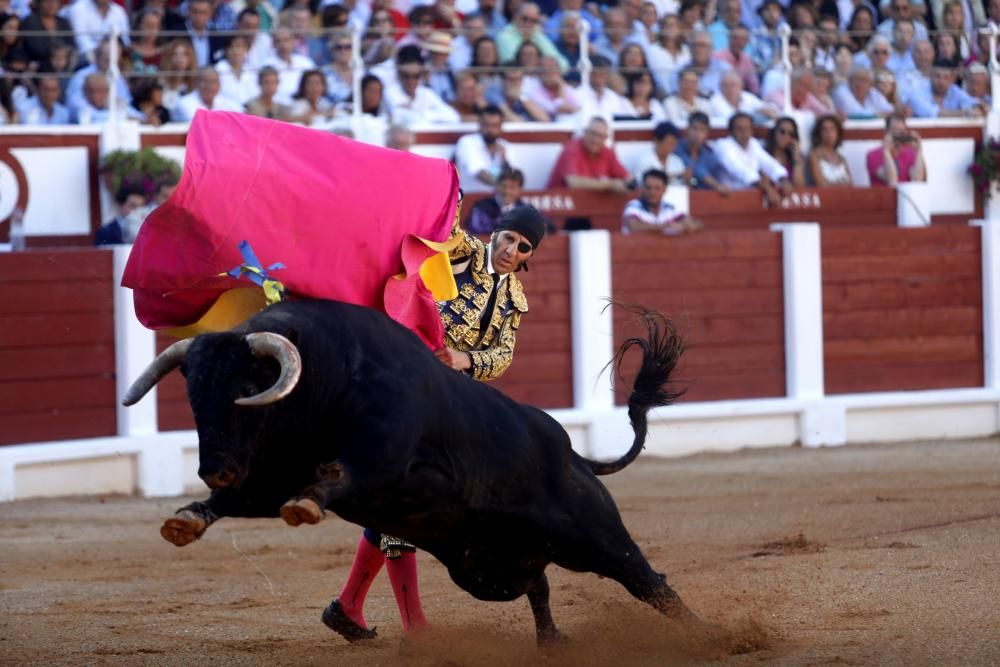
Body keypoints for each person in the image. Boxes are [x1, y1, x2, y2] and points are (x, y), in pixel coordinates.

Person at [323, 205, 548, 644]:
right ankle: (413, 627)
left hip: (450, 405)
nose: (511, 249)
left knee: (407, 500)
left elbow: (502, 356)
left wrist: (467, 360)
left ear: (527, 256)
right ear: (494, 234)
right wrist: (449, 192)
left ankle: (348, 605)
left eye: (523, 247)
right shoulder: (462, 254)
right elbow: (442, 224)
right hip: (403, 388)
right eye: (508, 238)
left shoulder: (513, 299)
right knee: (402, 500)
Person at [713, 111, 790, 204]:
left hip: (752, 197)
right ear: (731, 132)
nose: (744, 133)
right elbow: (739, 170)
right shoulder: (723, 145)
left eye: (747, 129)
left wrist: (783, 179)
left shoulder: (753, 143)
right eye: (739, 129)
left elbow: (769, 163)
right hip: (727, 200)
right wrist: (767, 188)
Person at [546, 116, 630, 192]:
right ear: (585, 132)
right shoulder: (572, 148)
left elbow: (628, 178)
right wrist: (610, 185)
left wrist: (628, 185)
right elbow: (573, 182)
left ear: (605, 138)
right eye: (592, 133)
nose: (595, 139)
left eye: (600, 136)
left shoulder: (607, 152)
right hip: (562, 205)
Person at [622, 168, 703, 235]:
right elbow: (634, 227)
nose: (652, 192)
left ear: (664, 190)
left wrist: (684, 226)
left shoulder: (669, 208)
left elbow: (696, 224)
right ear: (642, 188)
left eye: (657, 188)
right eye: (648, 187)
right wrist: (665, 226)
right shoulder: (634, 205)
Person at [454, 105, 514, 193]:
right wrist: (504, 187)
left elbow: (513, 176)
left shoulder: (505, 146)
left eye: (494, 126)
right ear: (479, 125)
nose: (490, 130)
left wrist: (504, 160)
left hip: (497, 200)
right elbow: (480, 174)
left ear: (501, 127)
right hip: (469, 199)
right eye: (486, 125)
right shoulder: (467, 142)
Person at [675, 111, 729, 194]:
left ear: (707, 133)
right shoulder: (677, 147)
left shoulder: (710, 156)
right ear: (687, 130)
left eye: (702, 130)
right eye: (694, 128)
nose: (697, 134)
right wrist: (716, 185)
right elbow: (693, 167)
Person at [866, 112, 927, 185]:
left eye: (901, 131)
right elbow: (892, 180)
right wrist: (886, 151)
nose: (898, 134)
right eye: (895, 130)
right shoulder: (873, 155)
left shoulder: (911, 153)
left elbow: (918, 179)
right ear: (886, 132)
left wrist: (919, 150)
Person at [467, 167, 528, 233]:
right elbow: (477, 228)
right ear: (496, 186)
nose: (507, 191)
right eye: (503, 186)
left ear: (520, 190)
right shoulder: (482, 207)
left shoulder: (526, 210)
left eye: (512, 187)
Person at [171, 67, 244, 121]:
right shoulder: (184, 103)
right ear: (197, 83)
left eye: (213, 82)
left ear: (219, 85)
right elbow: (197, 121)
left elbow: (241, 116)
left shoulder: (230, 103)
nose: (208, 86)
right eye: (204, 81)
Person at [807, 113, 853, 186]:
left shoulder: (842, 158)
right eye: (824, 129)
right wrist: (841, 185)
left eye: (832, 129)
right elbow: (821, 184)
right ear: (819, 133)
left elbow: (851, 186)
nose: (829, 133)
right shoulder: (814, 156)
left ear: (838, 133)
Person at [765, 117, 805, 188]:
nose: (786, 136)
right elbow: (765, 183)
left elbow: (800, 186)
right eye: (782, 132)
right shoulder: (764, 155)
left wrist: (796, 157)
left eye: (791, 134)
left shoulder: (797, 158)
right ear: (775, 131)